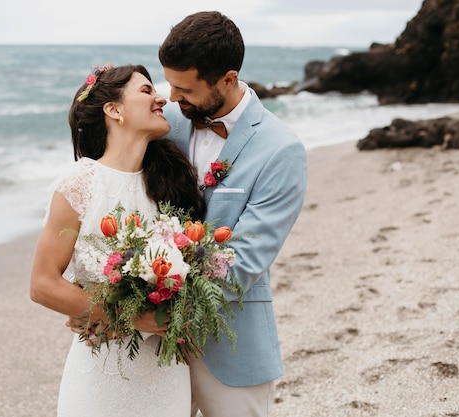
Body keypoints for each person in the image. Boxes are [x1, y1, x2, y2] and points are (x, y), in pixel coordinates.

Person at [29, 64, 205, 417]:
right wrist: (133, 317)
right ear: (114, 110)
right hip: (102, 370)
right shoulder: (81, 182)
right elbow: (42, 283)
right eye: (146, 91)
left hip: (166, 372)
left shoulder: (172, 185)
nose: (160, 98)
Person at [157, 11, 308, 417]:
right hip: (151, 349)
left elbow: (244, 260)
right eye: (169, 84)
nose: (172, 98)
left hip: (231, 339)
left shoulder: (281, 150)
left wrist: (155, 312)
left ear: (227, 78)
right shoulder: (166, 122)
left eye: (183, 88)